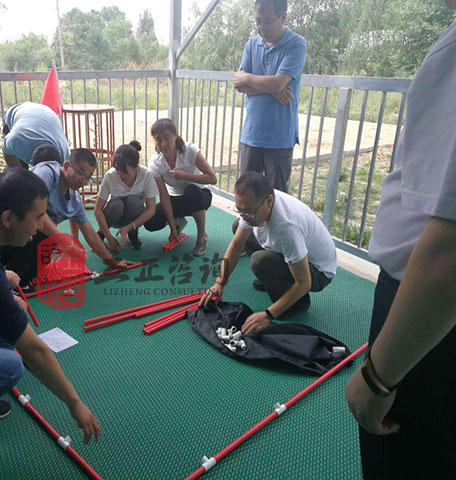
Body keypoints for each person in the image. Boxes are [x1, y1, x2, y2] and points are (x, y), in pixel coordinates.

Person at [345, 3, 456, 477]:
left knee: (405, 458)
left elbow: (449, 252)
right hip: (432, 308)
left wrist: (377, 377)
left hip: (425, 306)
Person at [0, 168, 102, 444]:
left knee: (14, 314)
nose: (40, 225)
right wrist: (74, 402)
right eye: (37, 217)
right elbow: (34, 350)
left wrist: (1, 275)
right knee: (12, 366)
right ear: (8, 218)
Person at [200, 172, 336, 332]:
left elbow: (304, 283)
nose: (244, 216)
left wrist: (268, 315)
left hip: (318, 272)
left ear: (269, 201)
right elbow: (237, 244)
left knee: (260, 261)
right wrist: (219, 283)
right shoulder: (258, 202)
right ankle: (274, 280)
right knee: (238, 226)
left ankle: (297, 304)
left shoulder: (286, 227)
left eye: (248, 211)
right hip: (296, 253)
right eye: (240, 209)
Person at [0, 148, 134, 287]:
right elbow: (32, 208)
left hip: (29, 237)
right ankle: (4, 275)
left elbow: (89, 233)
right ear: (66, 166)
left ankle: (18, 281)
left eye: (88, 177)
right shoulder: (47, 172)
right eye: (80, 172)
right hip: (8, 228)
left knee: (46, 240)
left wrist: (111, 262)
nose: (83, 180)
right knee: (41, 233)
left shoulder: (75, 200)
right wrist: (63, 241)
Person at [233, 0, 306, 192]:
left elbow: (278, 83)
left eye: (267, 21)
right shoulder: (252, 44)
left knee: (277, 197)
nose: (262, 27)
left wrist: (248, 77)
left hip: (279, 137)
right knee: (246, 194)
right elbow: (239, 85)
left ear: (283, 16)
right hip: (251, 134)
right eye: (258, 21)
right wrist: (272, 87)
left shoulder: (296, 44)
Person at [144, 119, 217, 256]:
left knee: (191, 191)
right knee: (150, 222)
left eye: (167, 138)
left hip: (200, 195)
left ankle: (202, 235)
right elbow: (164, 196)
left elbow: (213, 178)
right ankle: (179, 222)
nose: (163, 144)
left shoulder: (190, 150)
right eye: (158, 139)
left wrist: (185, 176)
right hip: (176, 198)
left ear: (175, 135)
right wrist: (173, 228)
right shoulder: (155, 163)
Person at [95, 141, 158, 251]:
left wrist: (130, 227)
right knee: (117, 205)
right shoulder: (110, 176)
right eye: (117, 171)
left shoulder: (146, 175)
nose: (120, 176)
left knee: (135, 201)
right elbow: (97, 210)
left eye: (124, 173)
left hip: (132, 217)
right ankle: (102, 233)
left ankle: (133, 233)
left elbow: (151, 210)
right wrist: (109, 238)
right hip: (114, 216)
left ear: (136, 167)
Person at [2, 101, 70, 169]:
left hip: (45, 114)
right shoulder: (16, 141)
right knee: (18, 171)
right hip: (20, 111)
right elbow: (7, 152)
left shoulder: (64, 157)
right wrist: (19, 172)